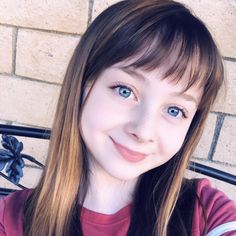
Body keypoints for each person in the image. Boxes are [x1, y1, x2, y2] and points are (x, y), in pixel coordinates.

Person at [0, 0, 236, 235]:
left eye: (174, 110)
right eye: (125, 91)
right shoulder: (9, 221)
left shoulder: (207, 213)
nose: (143, 131)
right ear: (82, 84)